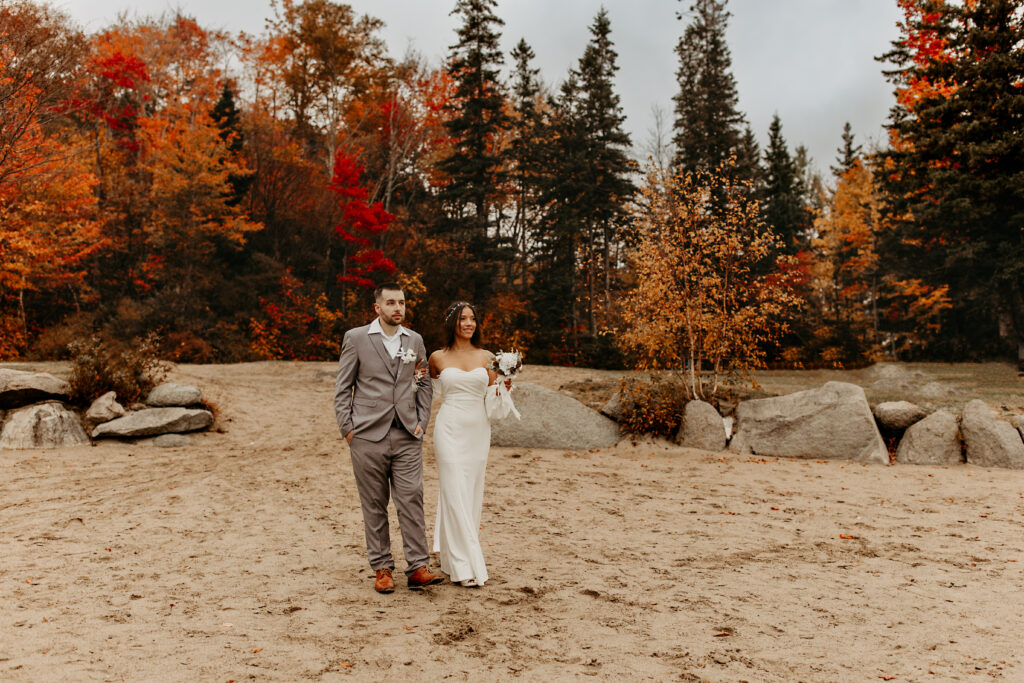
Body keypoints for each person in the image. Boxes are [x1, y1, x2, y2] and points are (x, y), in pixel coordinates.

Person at [334, 283, 445, 593]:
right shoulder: (356, 339)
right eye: (392, 302)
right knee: (374, 503)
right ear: (377, 308)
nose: (398, 308)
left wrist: (422, 422)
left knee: (411, 497)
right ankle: (382, 568)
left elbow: (423, 384)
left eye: (402, 302)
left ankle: (417, 567)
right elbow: (343, 388)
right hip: (367, 435)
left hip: (408, 433)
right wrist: (349, 430)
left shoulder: (416, 340)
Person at [428, 301, 508, 587]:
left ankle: (452, 559)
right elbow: (428, 393)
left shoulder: (488, 357)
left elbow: (496, 403)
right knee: (452, 490)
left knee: (470, 492)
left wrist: (504, 387)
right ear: (453, 322)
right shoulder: (436, 357)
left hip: (477, 430)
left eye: (473, 319)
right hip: (449, 428)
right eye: (463, 319)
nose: (469, 324)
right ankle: (464, 566)